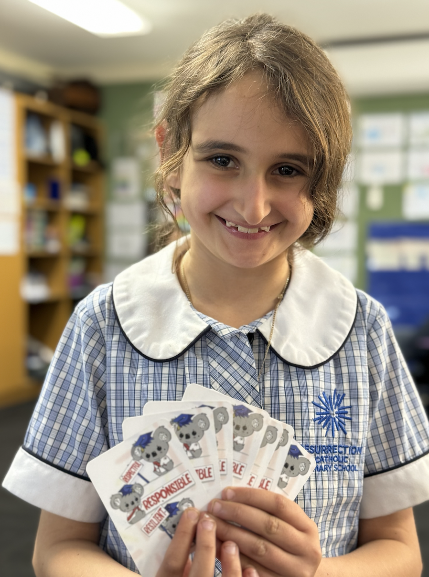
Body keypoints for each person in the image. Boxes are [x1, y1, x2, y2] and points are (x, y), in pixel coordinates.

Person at [3, 13, 429, 577]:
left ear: (323, 179)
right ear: (170, 154)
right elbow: (57, 549)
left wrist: (319, 574)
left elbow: (400, 549)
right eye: (222, 160)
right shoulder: (100, 328)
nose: (253, 206)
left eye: (288, 169)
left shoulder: (363, 330)